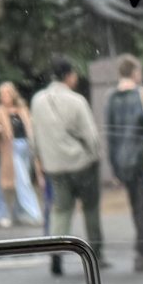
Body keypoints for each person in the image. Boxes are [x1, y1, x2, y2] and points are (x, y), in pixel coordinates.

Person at [31, 58, 103, 272]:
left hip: (54, 165)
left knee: (61, 209)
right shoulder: (77, 101)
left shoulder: (37, 100)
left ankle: (56, 251)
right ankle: (96, 251)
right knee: (90, 207)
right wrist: (95, 154)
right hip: (81, 163)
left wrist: (40, 158)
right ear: (69, 75)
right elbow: (90, 135)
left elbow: (35, 135)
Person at [102, 55, 143, 271]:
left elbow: (110, 135)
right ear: (135, 73)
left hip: (123, 161)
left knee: (136, 205)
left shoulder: (111, 99)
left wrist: (114, 164)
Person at [0, 80, 45, 225]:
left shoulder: (22, 109)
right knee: (23, 181)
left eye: (7, 93)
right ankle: (35, 214)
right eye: (2, 94)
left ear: (13, 94)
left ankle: (19, 213)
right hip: (11, 148)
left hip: (26, 146)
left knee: (21, 180)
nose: (5, 97)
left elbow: (31, 127)